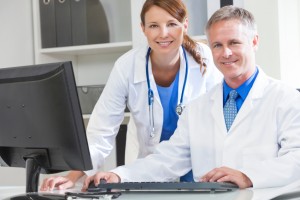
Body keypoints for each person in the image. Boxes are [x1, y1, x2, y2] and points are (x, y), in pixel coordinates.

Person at [82, 5, 300, 190]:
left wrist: (249, 176)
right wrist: (119, 176)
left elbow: (297, 158)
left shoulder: (286, 99)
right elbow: (168, 159)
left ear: (254, 42)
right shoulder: (198, 108)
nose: (226, 53)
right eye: (217, 45)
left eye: (234, 43)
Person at [40, 0, 222, 191]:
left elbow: (221, 121)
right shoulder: (127, 67)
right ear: (142, 28)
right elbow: (101, 131)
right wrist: (72, 176)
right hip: (148, 172)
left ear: (185, 25)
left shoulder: (206, 60)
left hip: (198, 171)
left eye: (171, 24)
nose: (163, 33)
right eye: (153, 25)